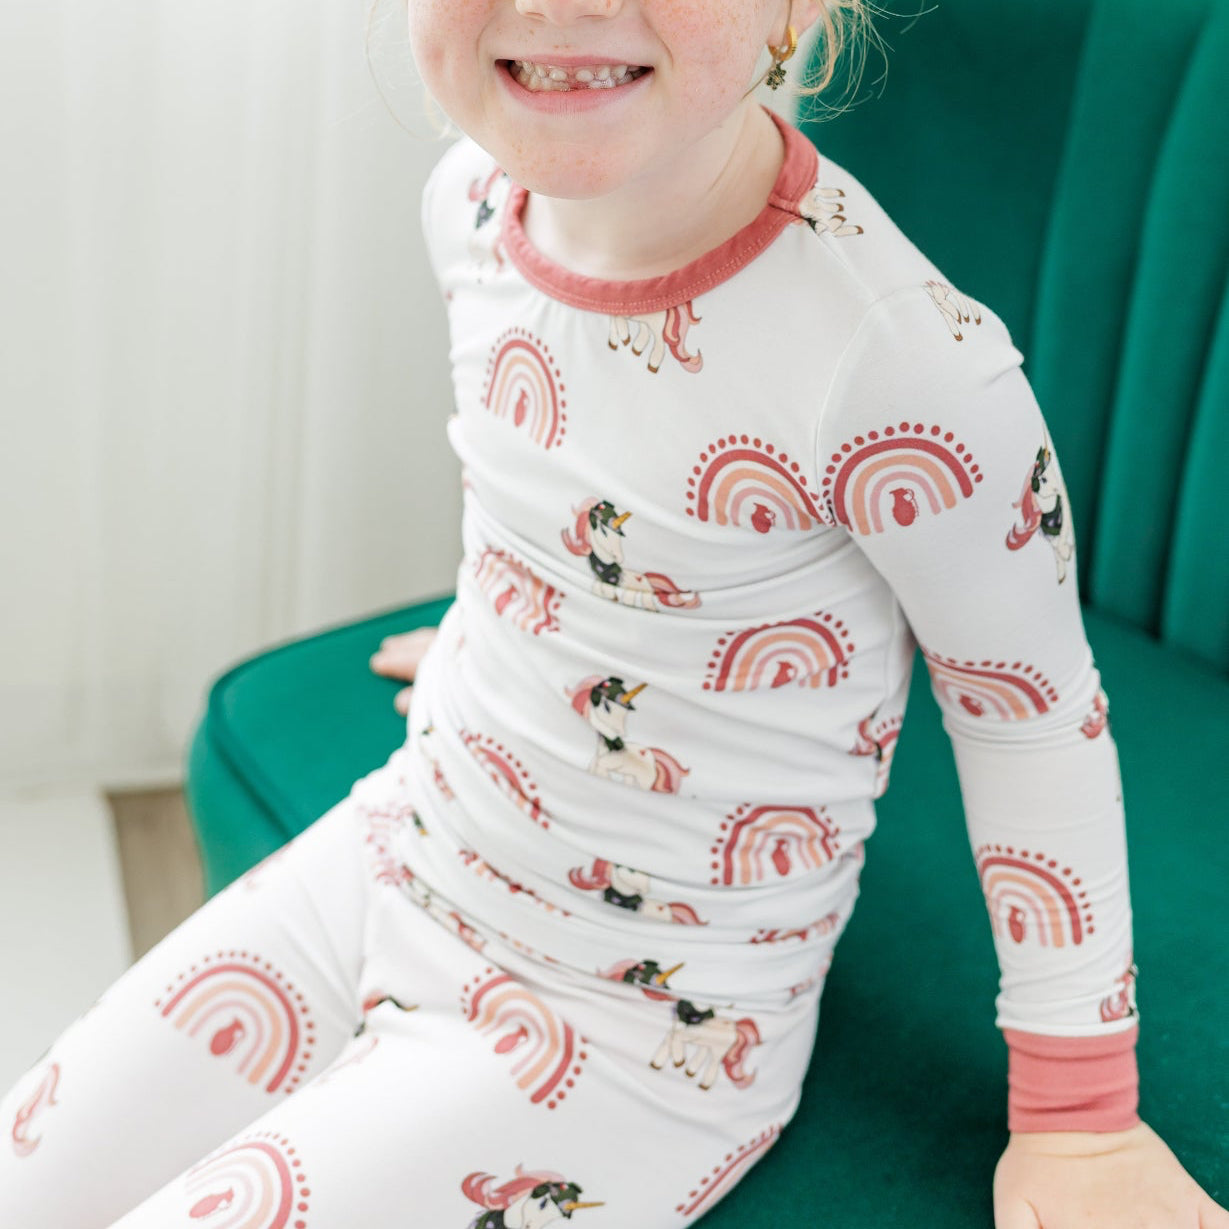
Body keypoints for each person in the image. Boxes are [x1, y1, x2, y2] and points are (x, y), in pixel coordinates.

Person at [2, 1, 1225, 1226]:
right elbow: (555, 485)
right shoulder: (469, 204)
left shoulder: (907, 369)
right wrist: (521, 643)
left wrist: (1077, 1120)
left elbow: (1030, 719)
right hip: (403, 849)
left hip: (635, 1031)